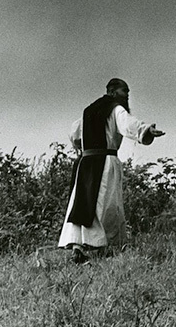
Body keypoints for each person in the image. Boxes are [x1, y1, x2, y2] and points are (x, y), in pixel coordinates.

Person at [58, 78, 165, 263]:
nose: (128, 96)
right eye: (125, 92)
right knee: (105, 204)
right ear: (113, 92)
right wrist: (146, 130)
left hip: (86, 162)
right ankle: (98, 246)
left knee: (83, 202)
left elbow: (74, 134)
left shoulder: (89, 110)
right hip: (104, 162)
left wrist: (83, 146)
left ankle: (78, 246)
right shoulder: (116, 109)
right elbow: (128, 124)